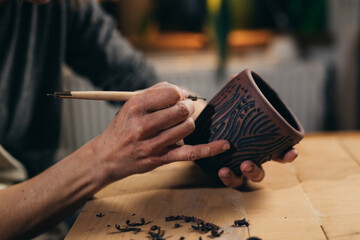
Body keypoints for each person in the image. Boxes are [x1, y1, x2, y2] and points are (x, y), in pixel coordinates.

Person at [0, 0, 298, 239]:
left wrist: (217, 119)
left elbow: (134, 77)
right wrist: (102, 159)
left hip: (64, 206)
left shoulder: (61, 5)